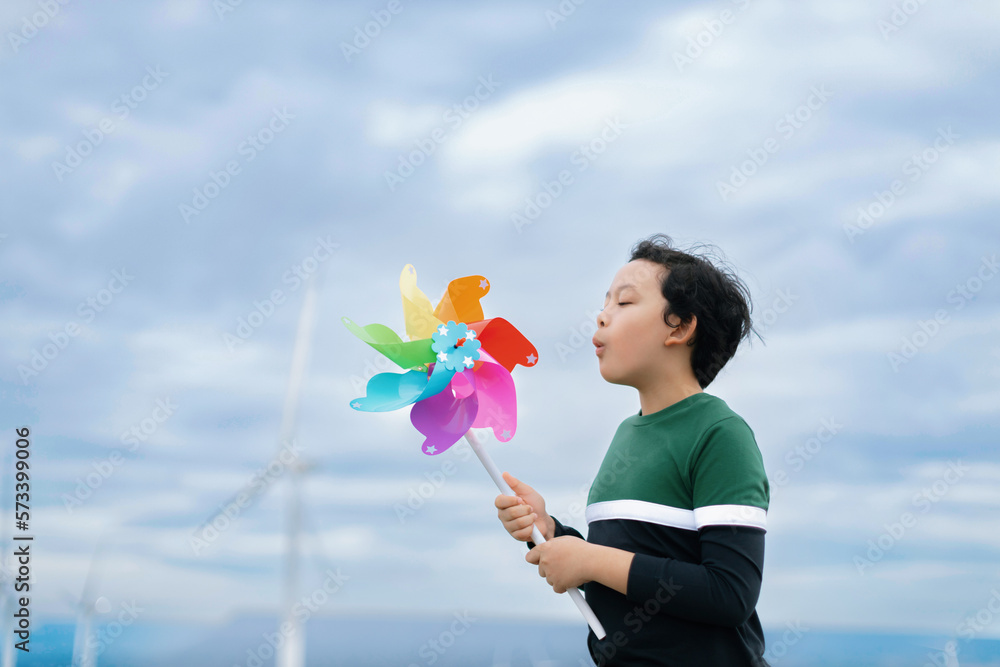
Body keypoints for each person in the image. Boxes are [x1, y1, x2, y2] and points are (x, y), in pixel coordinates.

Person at [495, 233, 771, 666]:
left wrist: (588, 558)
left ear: (679, 326)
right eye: (604, 303)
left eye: (623, 303)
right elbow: (629, 577)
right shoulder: (628, 434)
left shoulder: (719, 434)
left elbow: (728, 593)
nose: (602, 317)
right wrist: (551, 532)